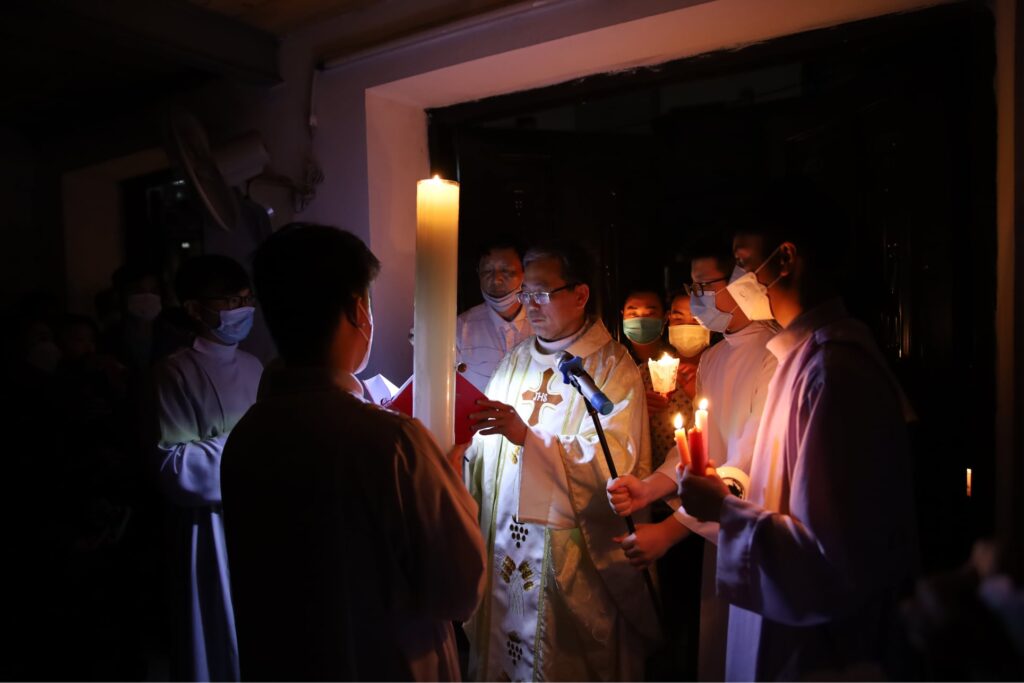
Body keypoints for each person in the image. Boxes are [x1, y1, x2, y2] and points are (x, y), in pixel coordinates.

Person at [221, 223, 486, 681]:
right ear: (357, 310)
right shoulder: (392, 441)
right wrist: (451, 488)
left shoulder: (246, 435)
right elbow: (459, 589)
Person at [679, 187, 917, 681]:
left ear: (785, 259)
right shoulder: (802, 358)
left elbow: (831, 558)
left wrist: (723, 509)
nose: (737, 280)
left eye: (742, 262)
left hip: (813, 652)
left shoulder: (832, 373)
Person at [462, 241, 659, 681]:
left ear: (580, 294)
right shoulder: (514, 362)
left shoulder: (611, 368)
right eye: (526, 294)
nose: (530, 305)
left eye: (542, 293)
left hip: (569, 563)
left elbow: (614, 462)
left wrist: (528, 439)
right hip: (503, 546)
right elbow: (483, 450)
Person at [608, 238, 778, 680]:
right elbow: (696, 447)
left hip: (755, 527)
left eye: (705, 286)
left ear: (743, 283)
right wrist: (650, 488)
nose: (697, 296)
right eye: (692, 286)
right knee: (714, 651)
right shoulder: (716, 356)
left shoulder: (774, 354)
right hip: (714, 530)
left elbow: (747, 461)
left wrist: (669, 531)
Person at [154, 255, 264, 682]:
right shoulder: (175, 371)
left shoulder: (255, 365)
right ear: (194, 309)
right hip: (210, 526)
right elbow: (174, 468)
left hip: (256, 514)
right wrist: (250, 442)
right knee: (219, 635)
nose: (241, 309)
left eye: (246, 299)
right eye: (229, 301)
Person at [620, 284, 692, 469]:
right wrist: (637, 412)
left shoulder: (713, 369)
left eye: (696, 319)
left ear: (664, 318)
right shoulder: (635, 370)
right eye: (633, 313)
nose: (641, 320)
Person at [456, 236, 533, 392]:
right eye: (487, 271)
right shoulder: (460, 328)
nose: (496, 279)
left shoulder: (543, 321)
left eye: (506, 270)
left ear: (524, 272)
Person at [666, 289, 710, 401]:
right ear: (669, 319)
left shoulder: (722, 371)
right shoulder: (650, 373)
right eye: (678, 318)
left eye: (696, 320)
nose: (686, 325)